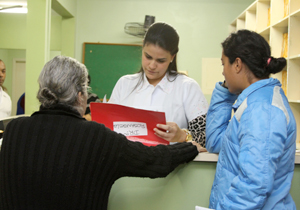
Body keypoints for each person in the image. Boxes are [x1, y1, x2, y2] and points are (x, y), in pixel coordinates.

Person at [0, 55, 206, 210]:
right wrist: (189, 146)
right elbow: (155, 161)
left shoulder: (13, 131)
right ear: (81, 96)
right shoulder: (96, 137)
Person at [206, 30, 296, 209]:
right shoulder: (253, 102)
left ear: (237, 64)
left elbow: (254, 187)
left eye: (224, 64)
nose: (223, 72)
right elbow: (216, 141)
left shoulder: (262, 110)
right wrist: (226, 89)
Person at [109, 22, 208, 146]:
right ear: (142, 48)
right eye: (148, 56)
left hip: (172, 164)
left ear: (172, 57)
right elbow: (108, 129)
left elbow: (206, 137)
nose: (152, 66)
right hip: (128, 162)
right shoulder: (124, 84)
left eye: (160, 60)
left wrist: (182, 136)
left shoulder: (187, 87)